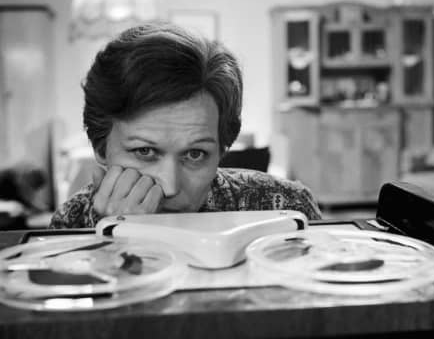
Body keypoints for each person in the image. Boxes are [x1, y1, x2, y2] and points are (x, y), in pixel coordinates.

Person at [49, 23, 322, 228]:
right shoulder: (71, 225)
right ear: (100, 147)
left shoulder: (287, 210)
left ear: (221, 150)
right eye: (144, 152)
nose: (170, 188)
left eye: (195, 154)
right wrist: (112, 242)